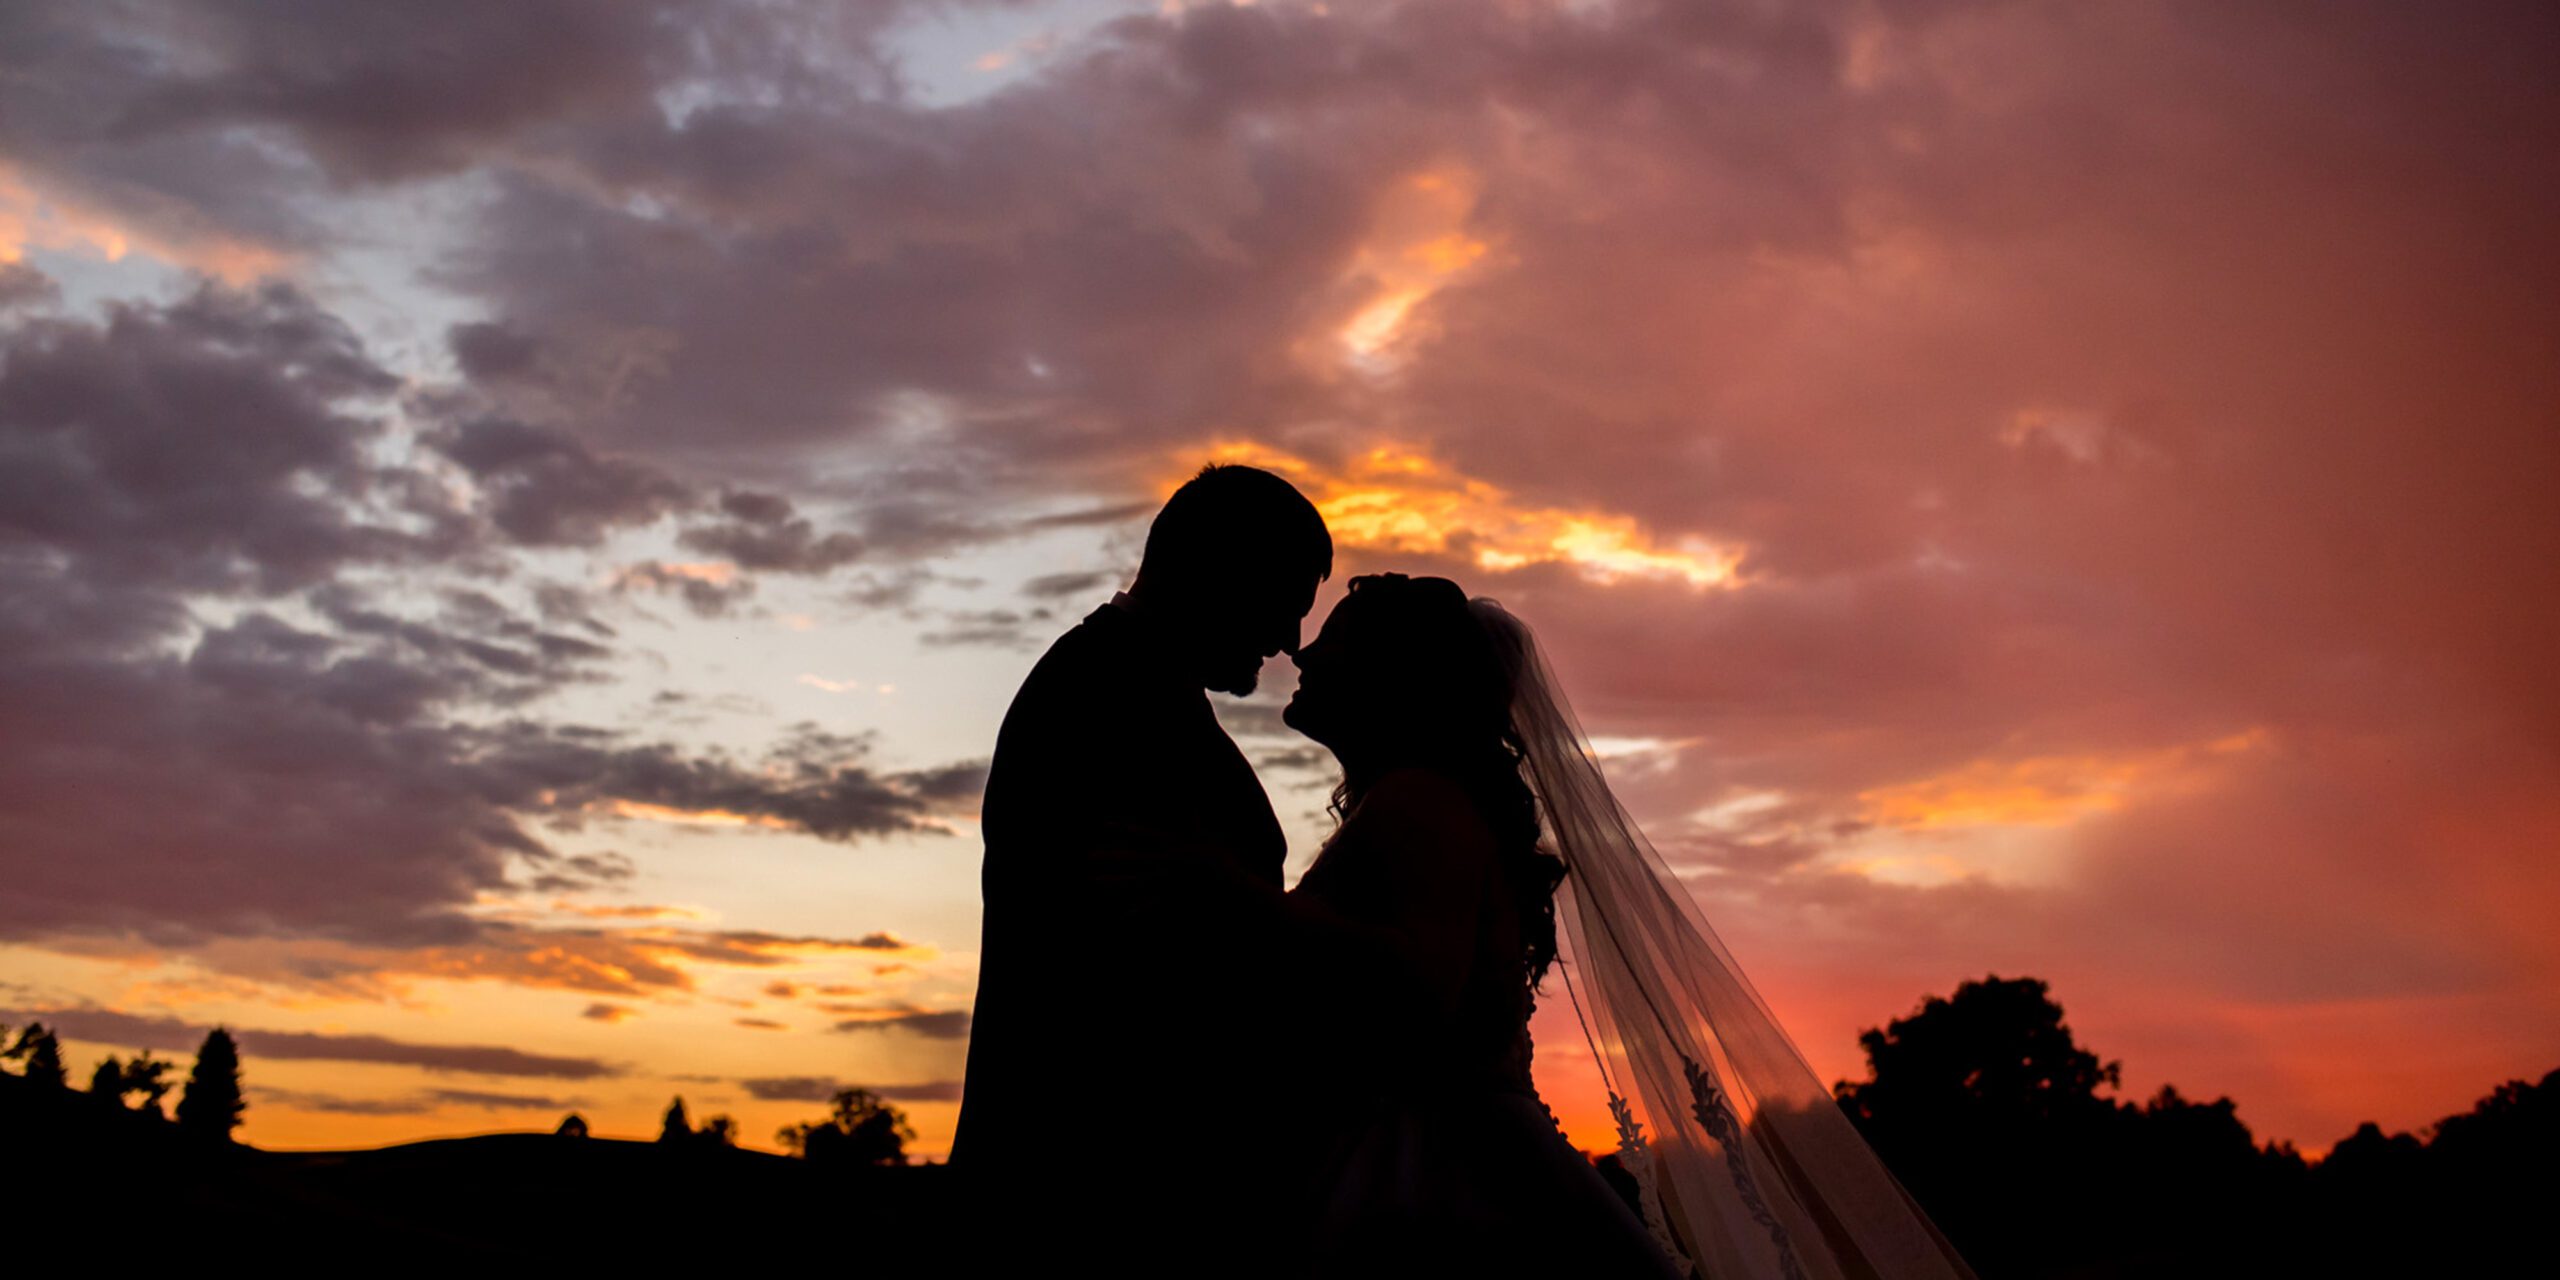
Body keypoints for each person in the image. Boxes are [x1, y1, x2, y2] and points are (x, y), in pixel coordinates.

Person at [1257, 573, 1982, 1280]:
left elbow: (1425, 996)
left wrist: (1243, 902)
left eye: (1333, 640)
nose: (1304, 654)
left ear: (1394, 676)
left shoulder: (1421, 801)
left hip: (1441, 1181)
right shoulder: (1424, 800)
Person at [949, 462, 1332, 1276]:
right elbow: (1149, 960)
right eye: (1288, 600)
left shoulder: (1132, 683)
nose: (1292, 639)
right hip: (1097, 1195)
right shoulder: (1106, 697)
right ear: (1220, 569)